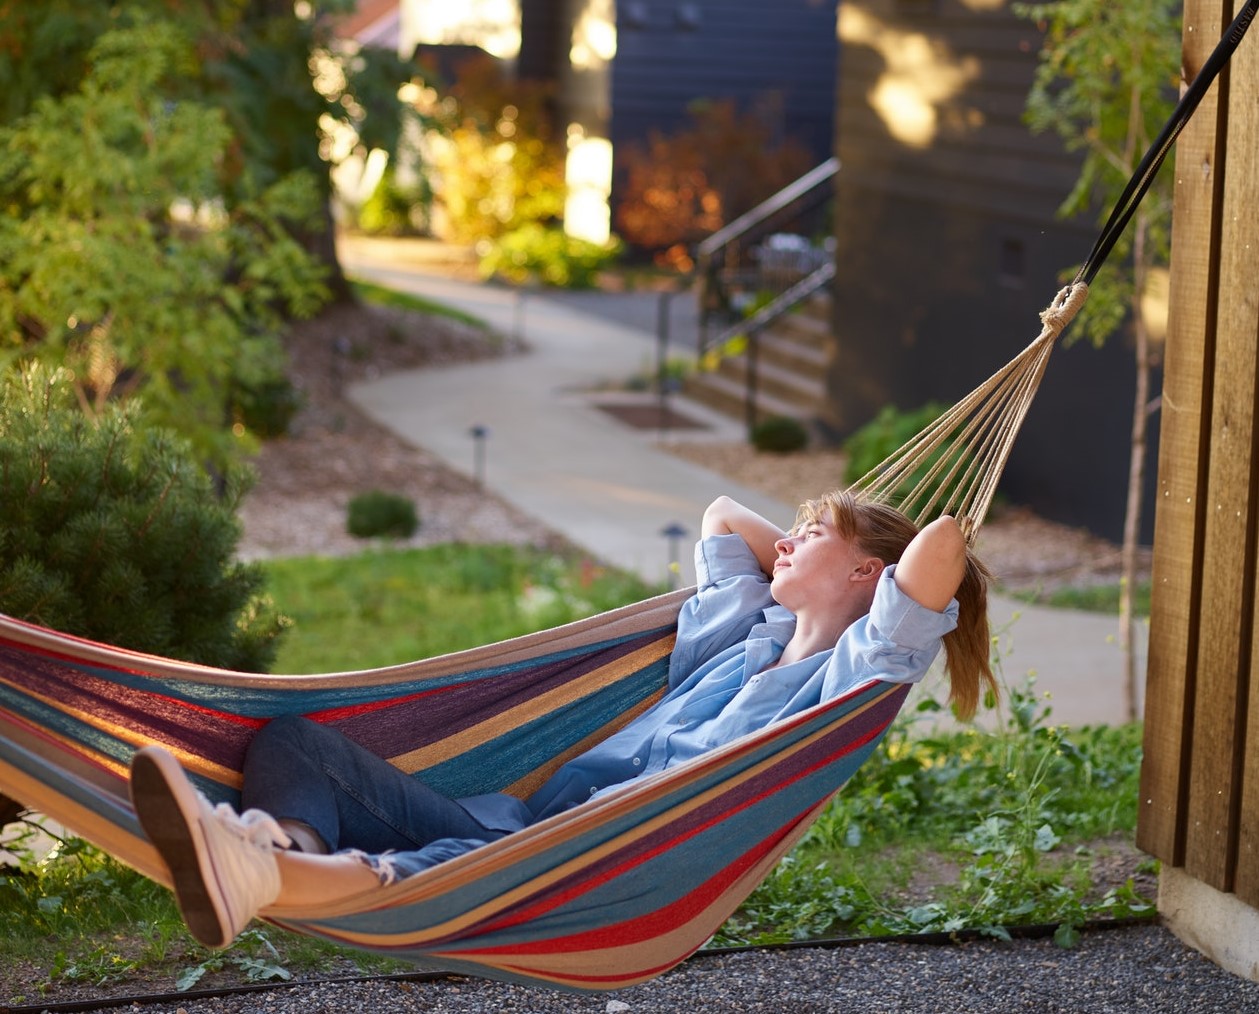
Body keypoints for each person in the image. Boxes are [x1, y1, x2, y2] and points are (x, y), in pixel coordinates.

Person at [129, 491, 994, 950]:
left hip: (600, 859)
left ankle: (261, 872)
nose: (791, 539)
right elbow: (723, 514)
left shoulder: (844, 683)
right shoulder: (743, 629)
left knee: (447, 871)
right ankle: (277, 856)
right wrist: (815, 552)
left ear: (867, 577)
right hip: (525, 827)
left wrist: (872, 561)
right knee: (293, 742)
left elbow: (938, 553)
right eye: (796, 529)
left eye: (813, 532)